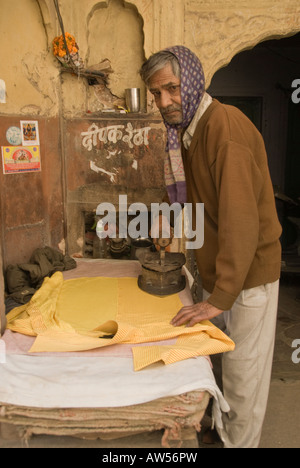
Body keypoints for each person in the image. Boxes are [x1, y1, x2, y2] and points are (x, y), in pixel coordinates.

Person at [140, 45, 282, 448]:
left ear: (193, 81)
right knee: (215, 361)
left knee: (243, 377)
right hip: (222, 270)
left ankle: (239, 442)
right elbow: (199, 201)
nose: (164, 101)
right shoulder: (189, 132)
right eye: (156, 94)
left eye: (171, 89)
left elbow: (240, 220)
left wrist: (220, 297)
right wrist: (170, 220)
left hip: (249, 275)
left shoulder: (225, 128)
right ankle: (219, 429)